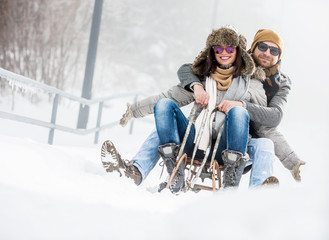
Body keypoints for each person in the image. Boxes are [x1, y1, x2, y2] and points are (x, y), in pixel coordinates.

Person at [101, 26, 277, 191]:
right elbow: (167, 97)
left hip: (228, 146)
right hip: (196, 141)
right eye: (218, 49)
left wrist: (241, 105)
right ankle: (139, 171)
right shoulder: (200, 80)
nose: (224, 53)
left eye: (230, 49)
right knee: (164, 115)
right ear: (212, 52)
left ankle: (251, 190)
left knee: (242, 117)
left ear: (238, 53)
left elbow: (265, 118)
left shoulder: (251, 84)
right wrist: (134, 110)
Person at [177, 29, 306, 182]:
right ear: (253, 47)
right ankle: (142, 169)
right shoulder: (237, 62)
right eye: (263, 47)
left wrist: (242, 105)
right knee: (167, 119)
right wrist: (197, 86)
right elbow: (188, 69)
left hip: (249, 141)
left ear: (279, 55)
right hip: (218, 129)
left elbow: (275, 116)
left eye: (274, 50)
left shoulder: (281, 83)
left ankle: (258, 194)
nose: (267, 53)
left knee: (265, 145)